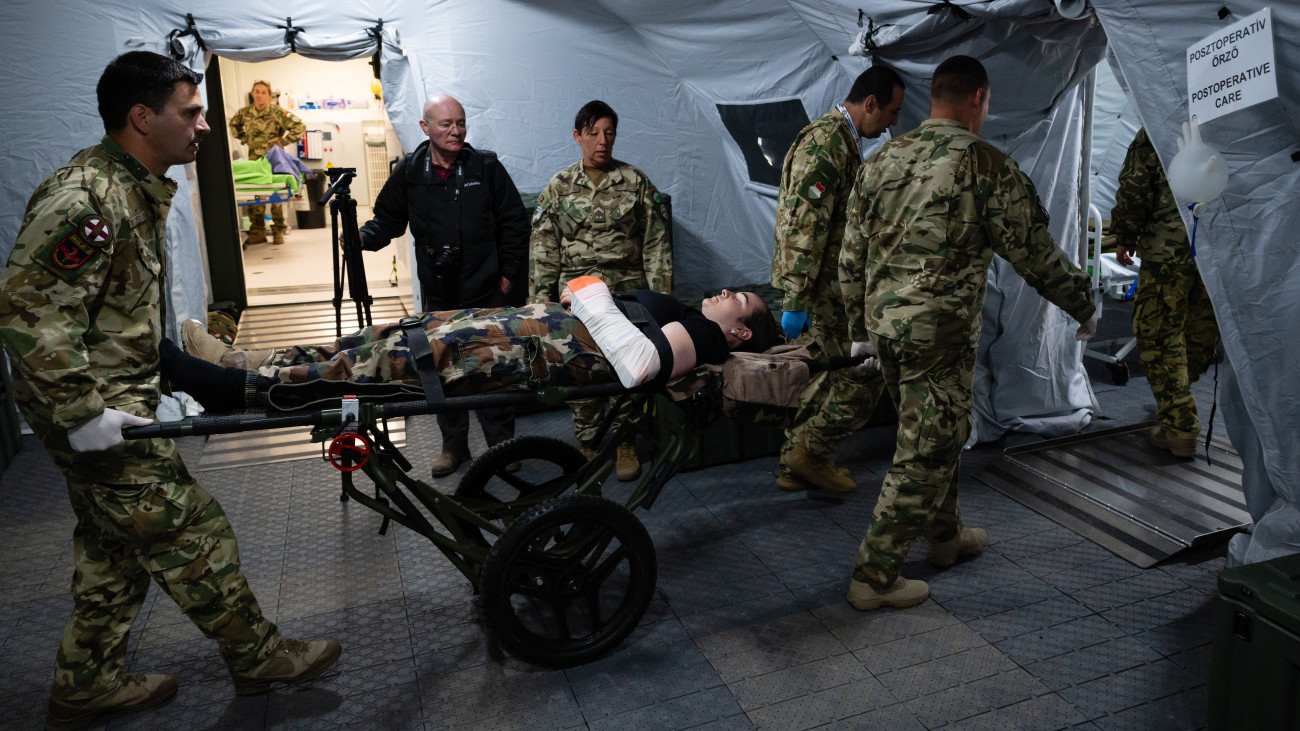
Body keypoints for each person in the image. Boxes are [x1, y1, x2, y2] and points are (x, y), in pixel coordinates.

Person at [0, 52, 339, 730]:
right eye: (191, 111)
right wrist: (81, 414)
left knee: (115, 550)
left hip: (116, 404)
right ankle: (260, 655)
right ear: (141, 117)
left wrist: (185, 374)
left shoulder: (135, 189)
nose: (204, 126)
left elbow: (110, 315)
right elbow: (27, 312)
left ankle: (86, 683)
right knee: (190, 528)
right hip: (94, 413)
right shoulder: (88, 200)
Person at [838, 56, 1098, 611]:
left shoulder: (882, 160)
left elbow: (849, 257)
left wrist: (859, 330)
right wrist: (1084, 305)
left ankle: (946, 537)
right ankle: (874, 577)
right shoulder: (984, 166)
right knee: (927, 446)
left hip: (887, 334)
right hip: (939, 334)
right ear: (979, 98)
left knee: (938, 430)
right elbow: (1036, 255)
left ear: (934, 97)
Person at [178, 282, 780, 412]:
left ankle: (233, 389)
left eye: (740, 299)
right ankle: (244, 362)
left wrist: (594, 299)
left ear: (741, 331)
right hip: (520, 328)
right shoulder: (688, 315)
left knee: (383, 367)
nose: (726, 292)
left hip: (518, 350)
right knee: (384, 338)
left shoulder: (705, 336)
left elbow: (640, 364)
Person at [359, 94, 529, 478]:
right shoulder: (410, 171)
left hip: (486, 291)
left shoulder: (485, 167)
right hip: (438, 293)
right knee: (442, 371)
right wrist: (362, 238)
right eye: (446, 124)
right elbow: (387, 220)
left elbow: (515, 222)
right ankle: (454, 447)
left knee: (493, 369)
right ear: (425, 128)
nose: (456, 131)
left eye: (461, 123)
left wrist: (508, 275)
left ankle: (502, 446)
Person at [770, 65, 905, 494]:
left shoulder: (837, 139)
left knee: (827, 372)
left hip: (825, 284)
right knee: (863, 373)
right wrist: (795, 297)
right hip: (823, 288)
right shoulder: (828, 143)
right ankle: (809, 450)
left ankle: (800, 458)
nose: (893, 123)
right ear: (869, 104)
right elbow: (803, 224)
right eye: (892, 112)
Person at [529, 100, 672, 481]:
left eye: (609, 133)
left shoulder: (635, 181)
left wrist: (661, 298)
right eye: (593, 133)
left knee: (628, 363)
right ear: (577, 137)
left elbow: (657, 244)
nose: (602, 141)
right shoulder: (559, 187)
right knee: (583, 368)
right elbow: (543, 249)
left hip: (627, 295)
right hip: (574, 297)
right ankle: (589, 442)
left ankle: (625, 441)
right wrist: (538, 308)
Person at [1110, 129, 1219, 458]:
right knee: (1200, 330)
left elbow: (1136, 186)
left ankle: (1179, 425)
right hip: (1219, 248)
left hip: (1168, 248)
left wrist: (1126, 233)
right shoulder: (1231, 111)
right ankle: (1177, 404)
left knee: (1159, 334)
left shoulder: (1162, 118)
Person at [228, 80, 306, 245]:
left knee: (275, 194)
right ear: (252, 94)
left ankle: (278, 230)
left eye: (264, 92)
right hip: (255, 162)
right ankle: (257, 231)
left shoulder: (277, 112)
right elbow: (233, 125)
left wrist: (283, 142)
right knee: (254, 195)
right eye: (257, 91)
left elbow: (299, 126)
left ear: (269, 96)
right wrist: (244, 138)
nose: (260, 95)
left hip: (274, 160)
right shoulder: (245, 113)